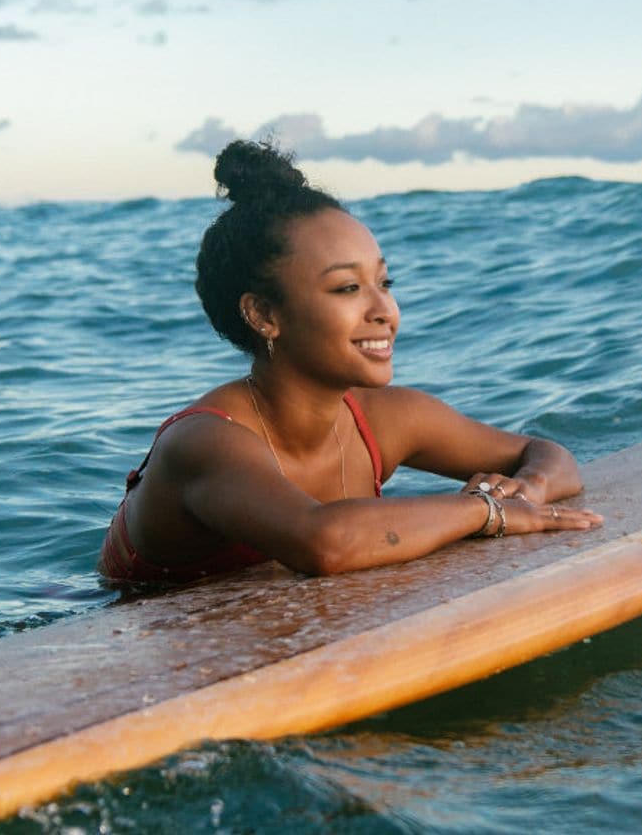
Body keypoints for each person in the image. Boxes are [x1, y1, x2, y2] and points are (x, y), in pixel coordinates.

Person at [98, 140, 601, 583]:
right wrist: (488, 512)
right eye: (347, 288)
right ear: (264, 314)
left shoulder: (383, 417)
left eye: (385, 283)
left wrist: (527, 491)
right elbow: (325, 544)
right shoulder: (204, 442)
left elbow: (548, 455)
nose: (384, 311)